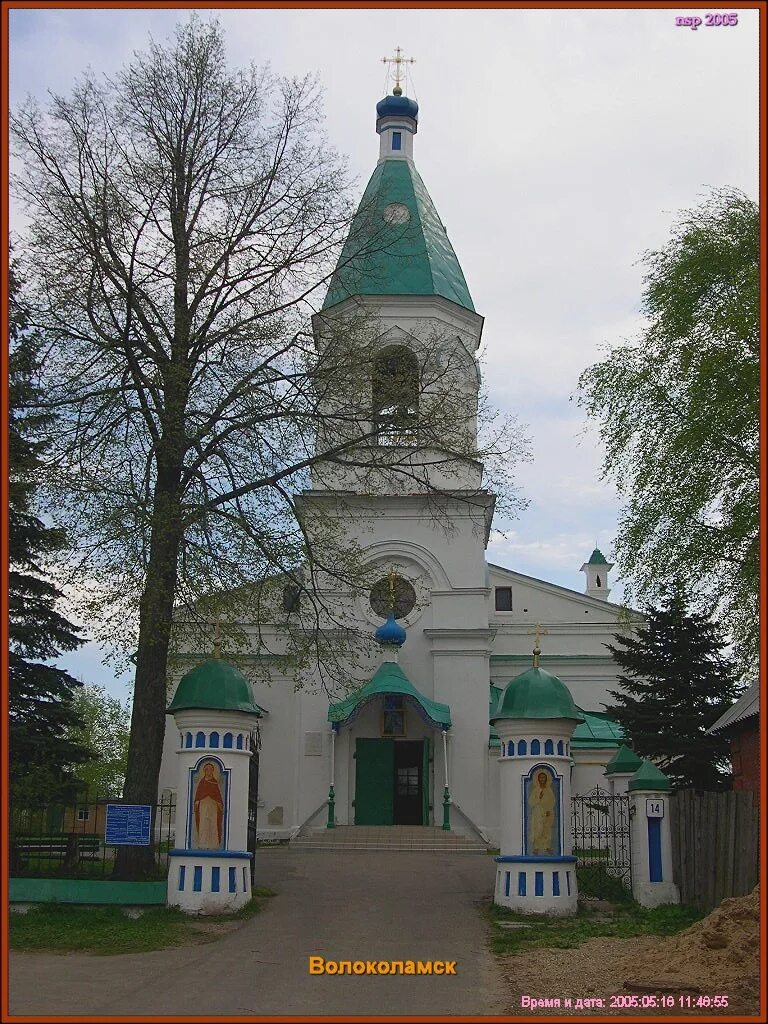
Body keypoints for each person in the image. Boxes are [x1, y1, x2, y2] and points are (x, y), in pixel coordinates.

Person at [194, 762, 224, 849]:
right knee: (203, 823)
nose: (209, 771)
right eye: (207, 770)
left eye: (211, 770)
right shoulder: (202, 782)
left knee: (213, 823)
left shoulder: (214, 782)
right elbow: (198, 795)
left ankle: (213, 844)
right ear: (205, 771)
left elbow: (218, 795)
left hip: (213, 805)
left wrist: (219, 803)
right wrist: (197, 801)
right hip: (203, 805)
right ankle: (203, 843)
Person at [528, 770, 556, 855]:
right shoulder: (536, 790)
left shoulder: (549, 790)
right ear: (538, 779)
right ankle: (536, 847)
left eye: (544, 777)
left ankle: (547, 847)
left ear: (546, 779)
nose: (542, 779)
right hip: (538, 813)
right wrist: (538, 798)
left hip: (547, 812)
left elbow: (552, 801)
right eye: (541, 777)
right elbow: (531, 802)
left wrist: (549, 810)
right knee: (538, 829)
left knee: (546, 830)